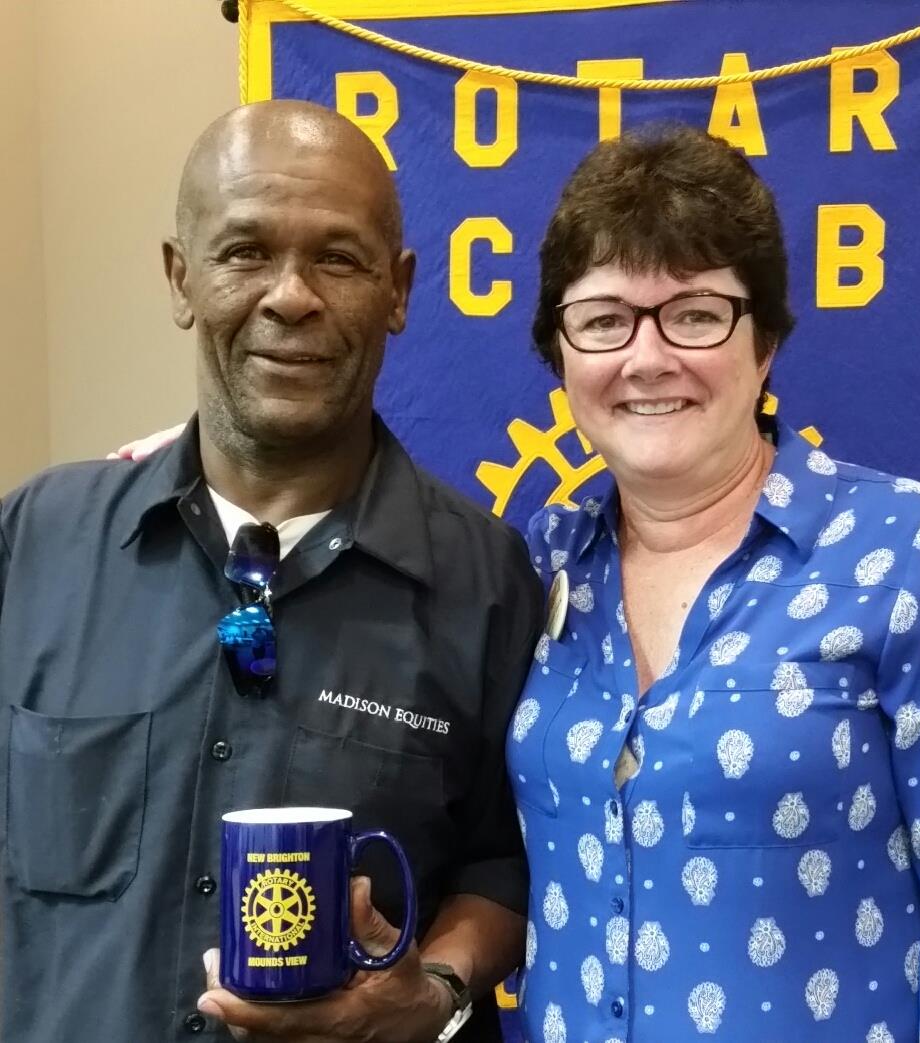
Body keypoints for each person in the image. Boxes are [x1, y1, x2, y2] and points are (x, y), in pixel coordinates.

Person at [0, 100, 542, 1043]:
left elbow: (507, 864)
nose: (291, 296)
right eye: (245, 251)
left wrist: (437, 989)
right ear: (181, 278)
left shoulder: (488, 581)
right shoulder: (35, 544)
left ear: (398, 290)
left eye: (338, 258)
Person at [506, 125, 920, 1042]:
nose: (646, 357)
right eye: (605, 319)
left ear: (765, 337)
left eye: (696, 314)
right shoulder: (539, 565)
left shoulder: (907, 550)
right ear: (560, 351)